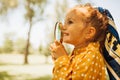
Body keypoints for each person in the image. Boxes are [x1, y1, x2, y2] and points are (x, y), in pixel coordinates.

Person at [50, 3, 120, 80]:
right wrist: (58, 60)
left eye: (70, 22)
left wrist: (61, 59)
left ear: (89, 32)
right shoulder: (77, 54)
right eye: (64, 22)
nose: (63, 26)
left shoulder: (92, 55)